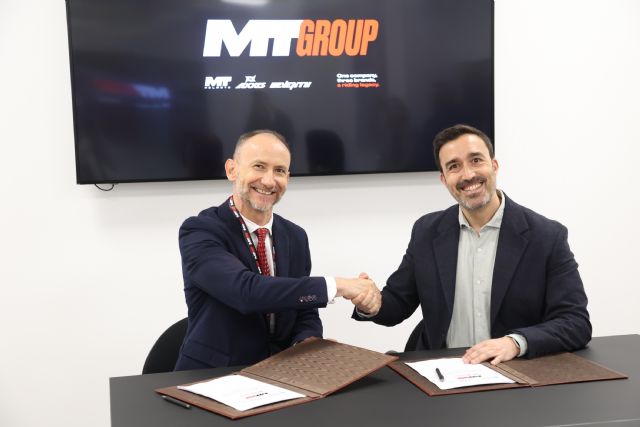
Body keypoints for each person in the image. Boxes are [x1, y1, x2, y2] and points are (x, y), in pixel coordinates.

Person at [355, 124, 591, 365]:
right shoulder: (426, 231)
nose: (467, 175)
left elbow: (575, 322)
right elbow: (398, 304)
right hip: (442, 371)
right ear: (444, 179)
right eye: (454, 166)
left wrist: (515, 343)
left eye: (476, 160)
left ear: (494, 166)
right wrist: (369, 301)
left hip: (513, 371)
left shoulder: (547, 236)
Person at [175, 130, 380, 371]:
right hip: (212, 376)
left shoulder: (295, 236)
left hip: (282, 374)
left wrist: (306, 344)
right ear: (232, 170)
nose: (269, 181)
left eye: (279, 170)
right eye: (259, 166)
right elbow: (245, 292)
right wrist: (338, 286)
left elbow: (304, 311)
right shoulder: (200, 230)